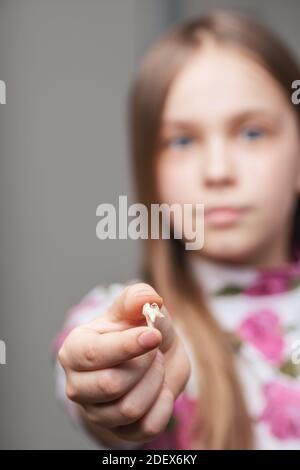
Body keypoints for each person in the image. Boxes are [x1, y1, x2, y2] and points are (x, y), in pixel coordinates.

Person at [53, 10, 300, 449]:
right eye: (182, 141)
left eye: (252, 133)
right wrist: (114, 386)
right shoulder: (122, 318)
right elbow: (96, 383)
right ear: (152, 176)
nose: (218, 171)